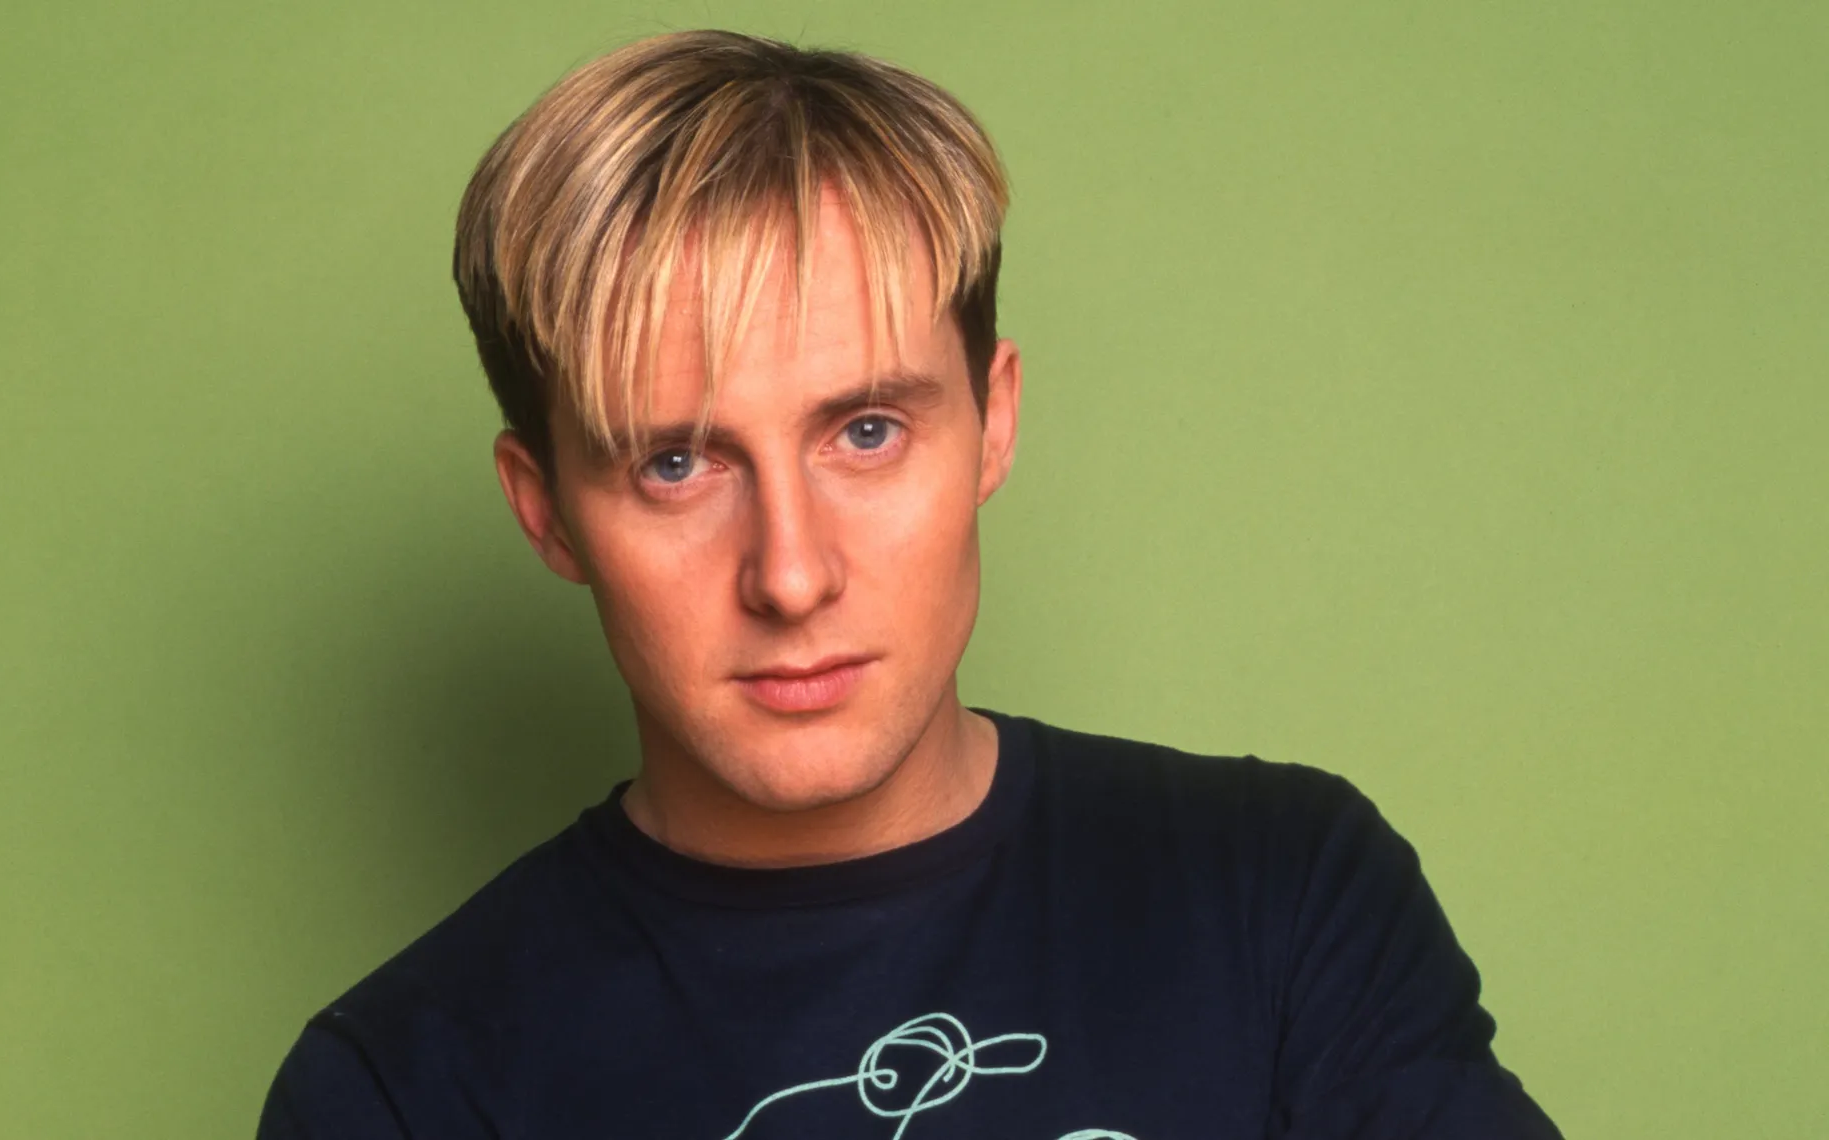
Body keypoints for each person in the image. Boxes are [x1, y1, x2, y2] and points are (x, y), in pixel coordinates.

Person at [257, 29, 1561, 1140]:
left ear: (992, 426)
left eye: (866, 432)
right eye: (674, 463)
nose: (791, 570)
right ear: (546, 509)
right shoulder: (403, 1089)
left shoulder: (1285, 897)